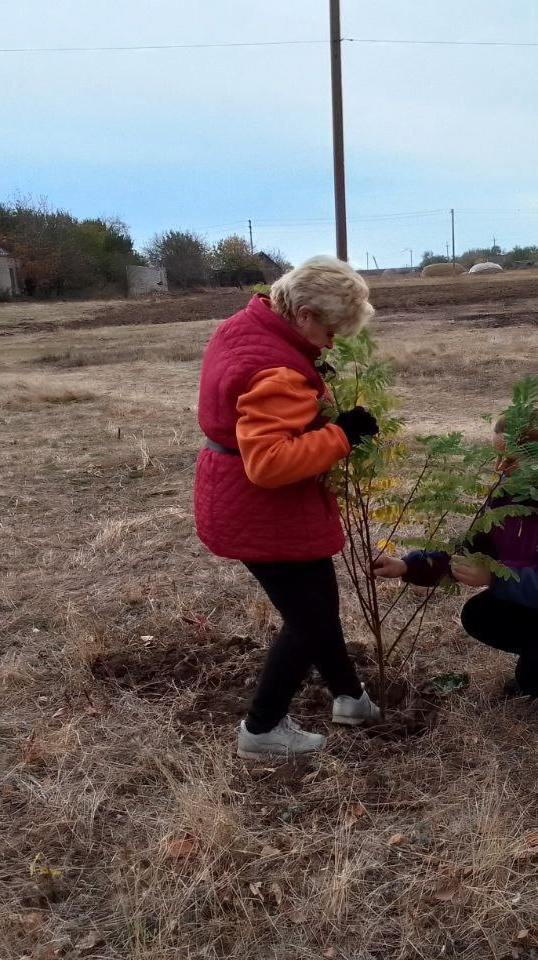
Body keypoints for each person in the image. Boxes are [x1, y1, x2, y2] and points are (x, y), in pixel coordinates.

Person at [194, 255, 382, 760]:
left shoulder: (247, 325)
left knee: (317, 608)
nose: (334, 341)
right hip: (266, 508)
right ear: (302, 313)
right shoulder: (278, 369)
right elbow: (270, 463)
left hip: (241, 498)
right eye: (331, 329)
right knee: (310, 619)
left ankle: (350, 699)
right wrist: (342, 435)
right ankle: (263, 729)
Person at [373, 416, 538, 716]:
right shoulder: (509, 491)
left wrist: (494, 577)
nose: (499, 468)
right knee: (480, 615)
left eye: (509, 459)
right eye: (497, 457)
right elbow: (471, 549)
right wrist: (407, 567)